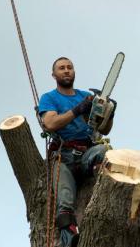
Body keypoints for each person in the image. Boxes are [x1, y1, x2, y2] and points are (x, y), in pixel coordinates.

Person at [38, 57, 115, 247]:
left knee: (104, 151)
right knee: (64, 202)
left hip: (87, 152)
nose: (66, 71)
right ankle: (70, 239)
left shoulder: (84, 96)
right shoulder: (49, 98)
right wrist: (77, 110)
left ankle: (102, 189)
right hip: (63, 156)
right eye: (61, 68)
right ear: (54, 74)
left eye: (69, 68)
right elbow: (49, 123)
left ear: (74, 72)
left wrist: (108, 114)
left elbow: (104, 129)